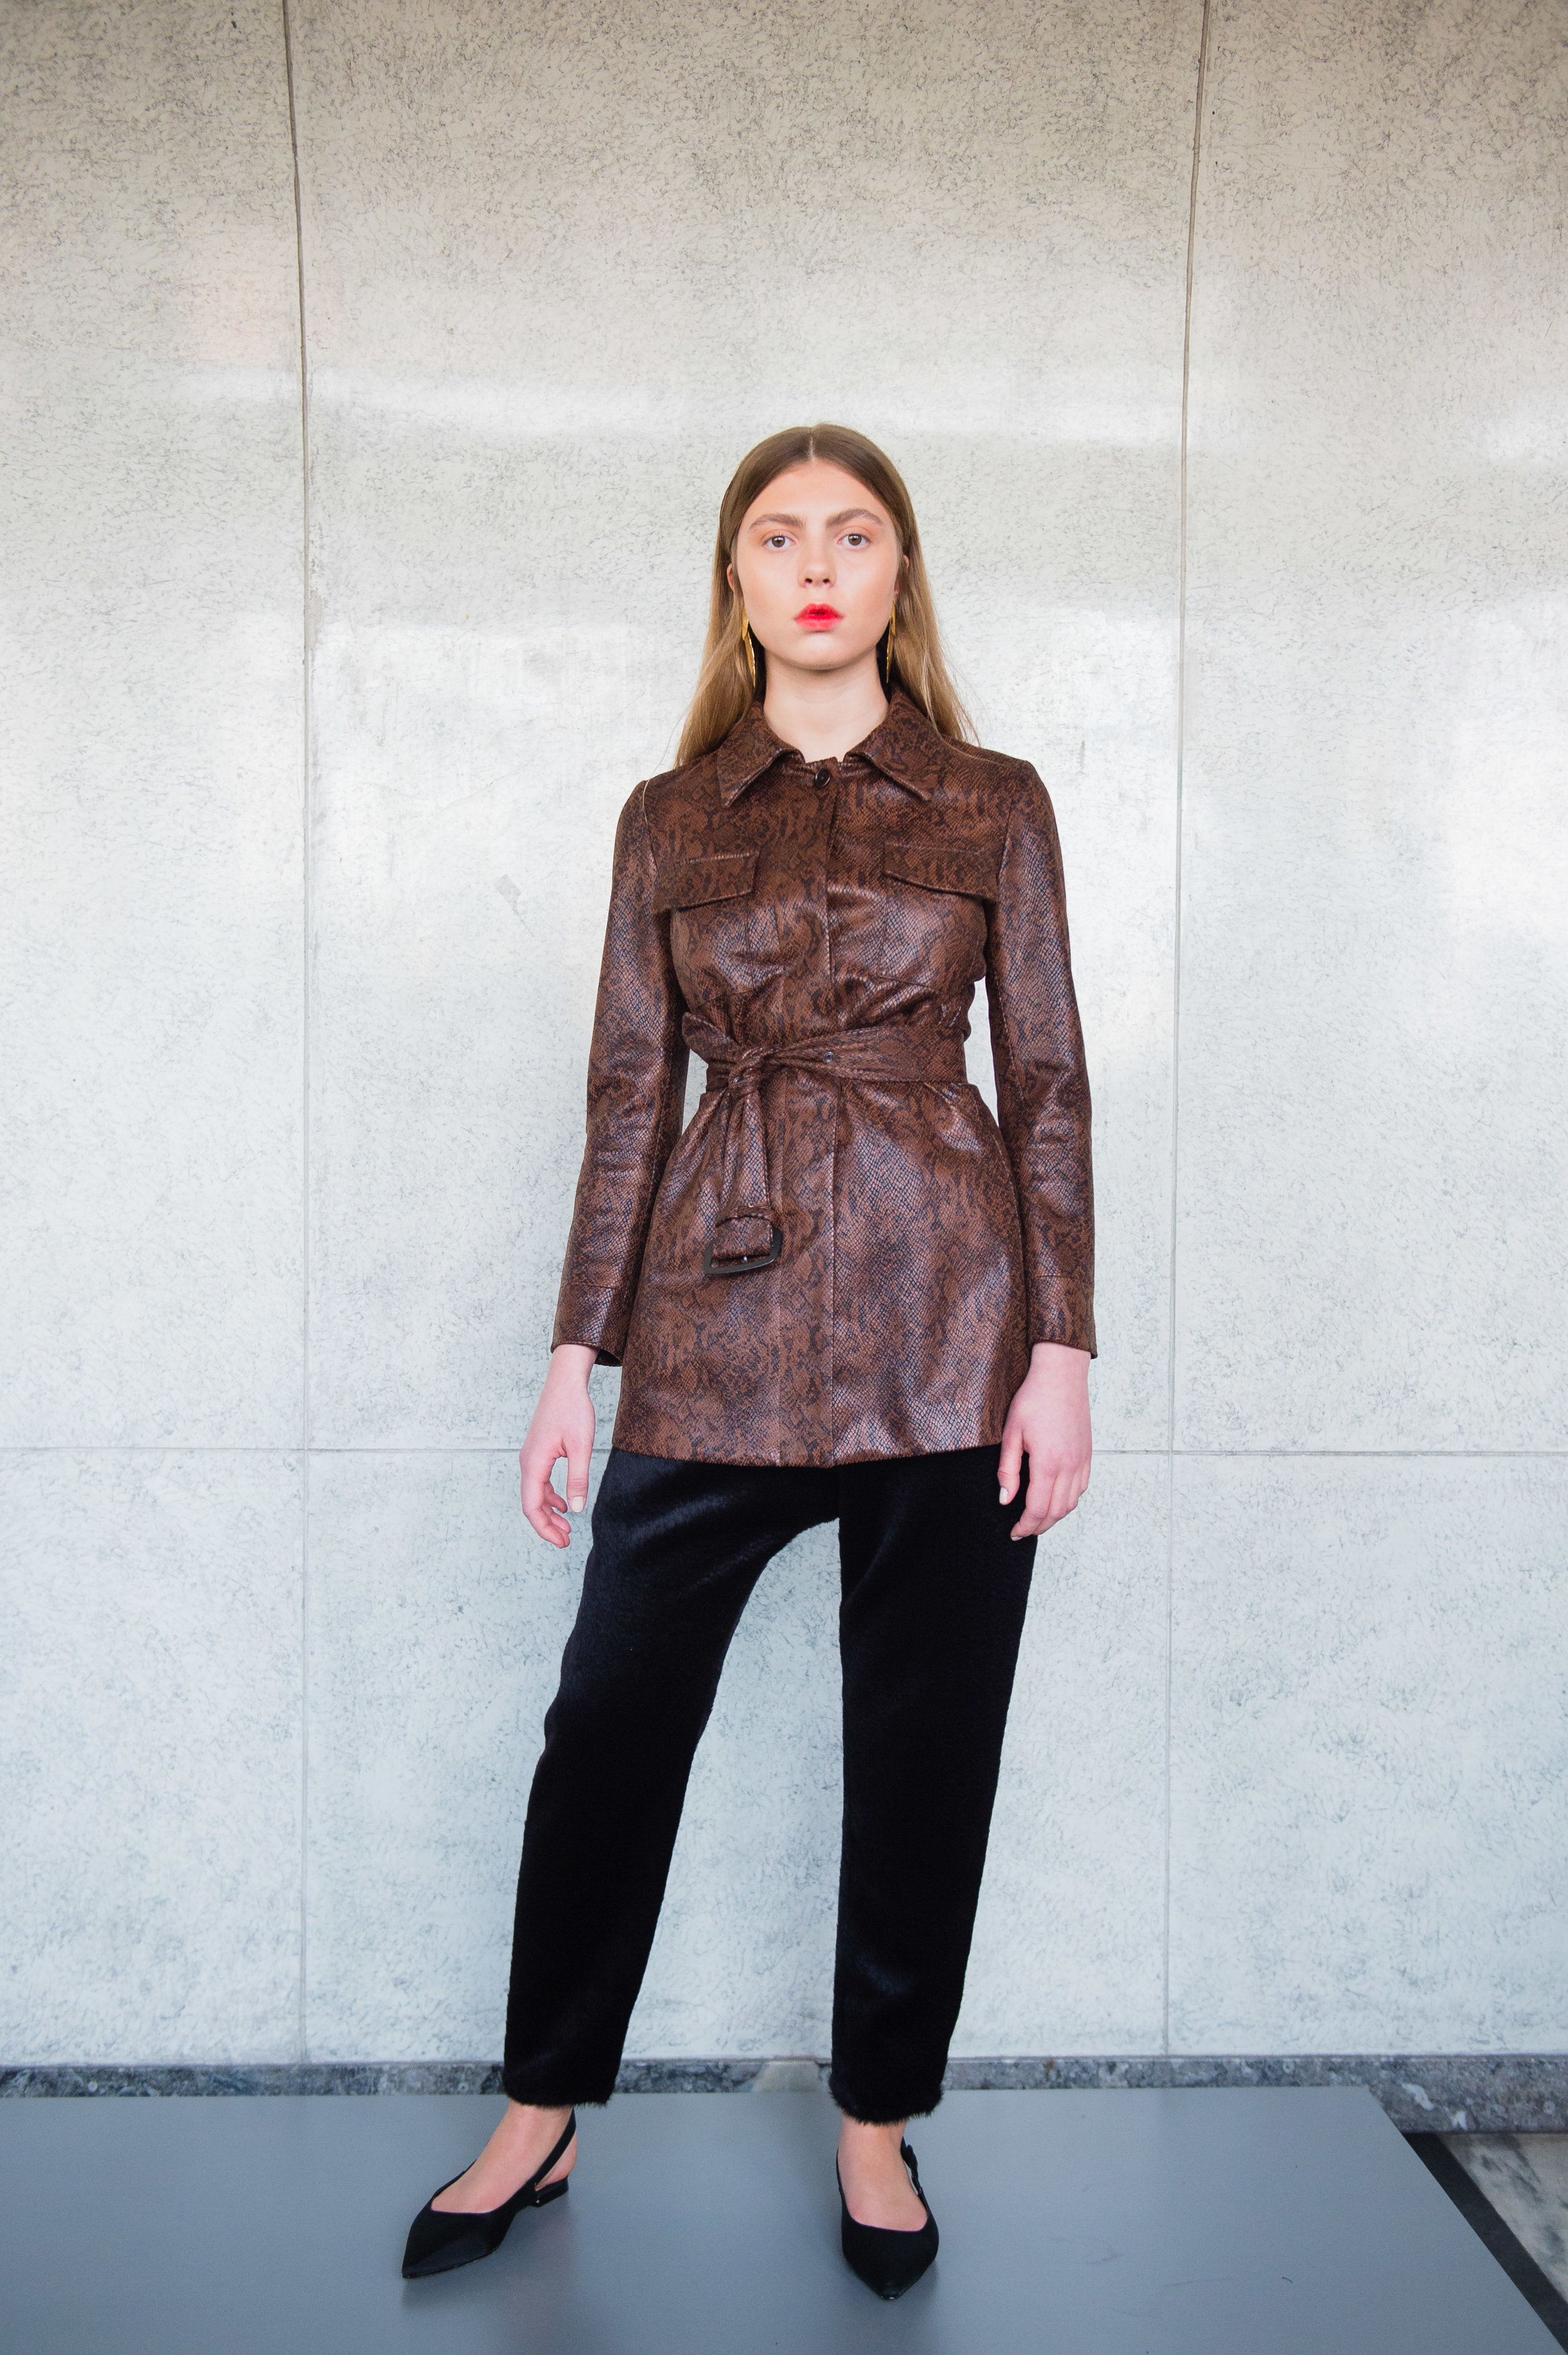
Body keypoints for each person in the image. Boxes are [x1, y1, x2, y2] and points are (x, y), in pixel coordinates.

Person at [402, 423, 1095, 2300]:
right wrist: (576, 1357)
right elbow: (630, 1091)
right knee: (608, 1732)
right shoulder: (670, 816)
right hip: (717, 1314)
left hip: (953, 1322)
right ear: (737, 578)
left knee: (925, 1749)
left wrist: (1062, 1348)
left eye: (851, 535)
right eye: (779, 536)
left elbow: (1045, 1080)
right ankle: (541, 2109)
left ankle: (876, 2124)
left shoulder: (994, 800)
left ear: (897, 572)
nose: (816, 565)